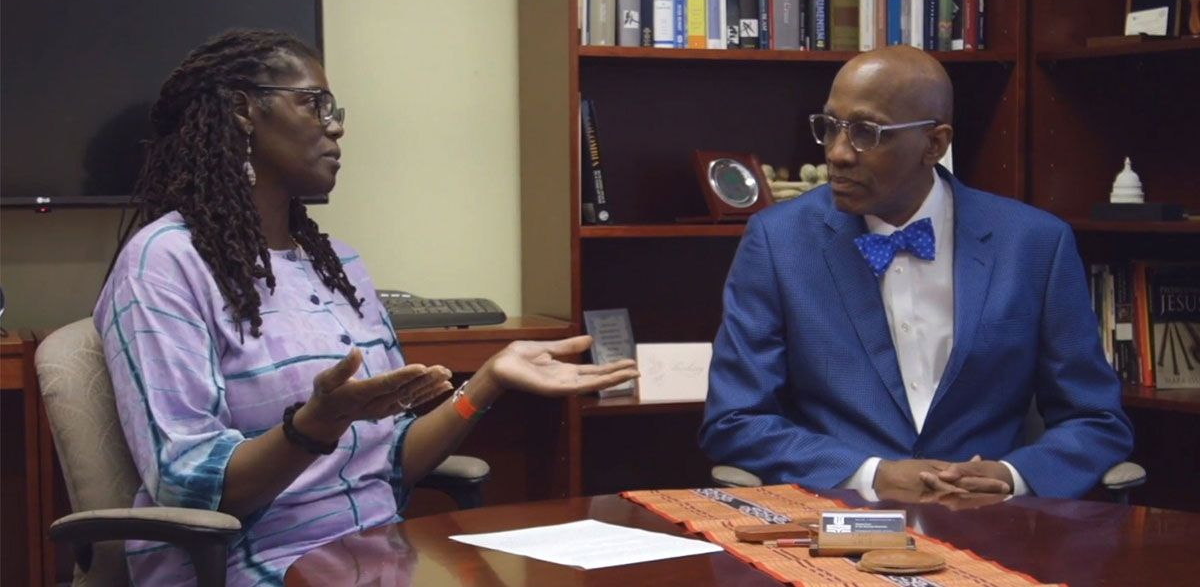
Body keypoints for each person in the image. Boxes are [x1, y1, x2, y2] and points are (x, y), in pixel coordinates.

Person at [95, 29, 638, 586]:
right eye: (314, 103)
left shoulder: (339, 265)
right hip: (252, 568)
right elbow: (186, 485)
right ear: (240, 111)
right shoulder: (164, 263)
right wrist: (314, 426)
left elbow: (391, 460)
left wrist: (487, 382)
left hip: (380, 562)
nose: (335, 125)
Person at [698, 45, 1132, 501]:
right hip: (838, 520)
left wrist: (1010, 477)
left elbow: (1096, 420)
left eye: (867, 132)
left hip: (994, 521)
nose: (839, 154)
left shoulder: (1034, 244)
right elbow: (735, 420)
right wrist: (872, 475)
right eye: (829, 128)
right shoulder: (778, 241)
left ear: (935, 144)